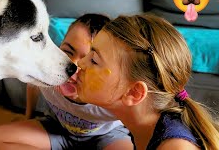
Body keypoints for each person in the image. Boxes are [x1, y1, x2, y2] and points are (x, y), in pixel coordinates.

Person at [0, 14, 134, 150]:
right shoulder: (50, 73)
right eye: (67, 51)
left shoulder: (111, 94)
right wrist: (28, 116)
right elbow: (33, 87)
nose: (73, 67)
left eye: (92, 61)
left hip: (106, 136)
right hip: (57, 129)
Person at [75, 14, 219, 150]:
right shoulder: (143, 125)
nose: (80, 63)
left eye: (94, 60)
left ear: (134, 92)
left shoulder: (175, 146)